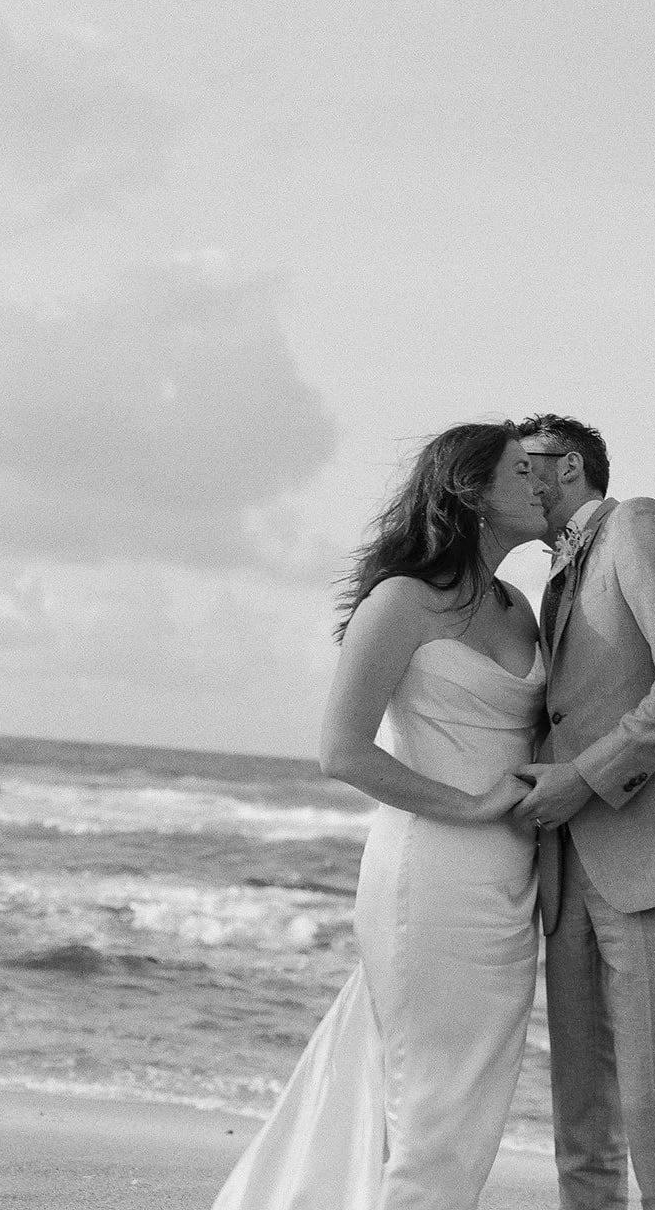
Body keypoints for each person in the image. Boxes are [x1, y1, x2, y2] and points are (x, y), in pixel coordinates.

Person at [210, 422, 549, 1210]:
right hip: (428, 879)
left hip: (510, 883)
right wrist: (471, 804)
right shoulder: (401, 602)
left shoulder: (519, 607)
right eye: (522, 471)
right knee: (435, 1113)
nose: (541, 486)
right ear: (471, 491)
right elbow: (343, 751)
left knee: (462, 1107)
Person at [512, 413, 655, 1210]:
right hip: (567, 873)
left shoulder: (637, 524)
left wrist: (585, 777)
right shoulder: (552, 579)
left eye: (525, 463)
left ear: (568, 466)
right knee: (583, 1120)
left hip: (651, 858)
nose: (512, 479)